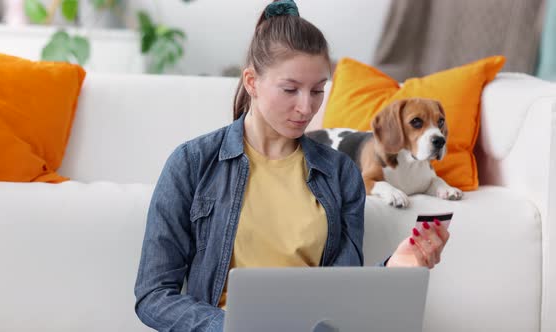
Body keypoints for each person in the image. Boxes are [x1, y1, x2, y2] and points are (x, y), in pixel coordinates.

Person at [134, 1, 450, 331]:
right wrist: (229, 327)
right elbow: (154, 295)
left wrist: (394, 267)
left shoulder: (341, 174)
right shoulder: (192, 164)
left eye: (317, 91)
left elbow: (341, 296)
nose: (306, 107)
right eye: (290, 89)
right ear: (252, 82)